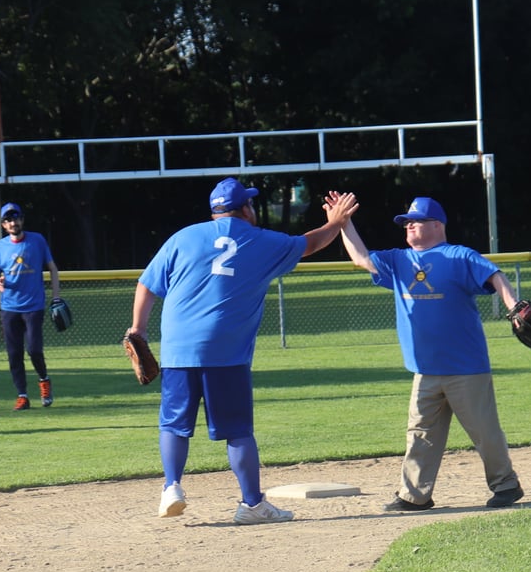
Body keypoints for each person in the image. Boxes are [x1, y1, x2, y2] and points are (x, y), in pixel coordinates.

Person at [129, 177, 359, 524]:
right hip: (226, 352)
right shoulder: (259, 240)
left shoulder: (183, 237)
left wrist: (137, 329)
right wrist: (336, 222)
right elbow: (309, 243)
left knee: (173, 424)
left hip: (177, 349)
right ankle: (252, 505)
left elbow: (146, 283)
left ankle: (171, 487)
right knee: (237, 431)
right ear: (246, 209)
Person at [330, 193, 525, 511]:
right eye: (405, 222)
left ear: (436, 225)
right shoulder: (397, 260)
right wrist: (343, 223)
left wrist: (513, 306)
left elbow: (495, 275)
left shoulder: (459, 256)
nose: (408, 226)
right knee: (420, 434)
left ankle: (506, 485)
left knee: (484, 431)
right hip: (424, 369)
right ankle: (415, 495)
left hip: (466, 368)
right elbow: (361, 258)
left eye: (415, 221)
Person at [0, 202, 61, 411]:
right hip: (9, 306)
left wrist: (56, 298)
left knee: (34, 349)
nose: (13, 222)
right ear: (3, 224)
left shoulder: (36, 240)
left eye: (15, 218)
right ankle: (22, 395)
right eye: (8, 219)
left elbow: (53, 269)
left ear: (22, 220)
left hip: (33, 305)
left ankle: (44, 380)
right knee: (14, 353)